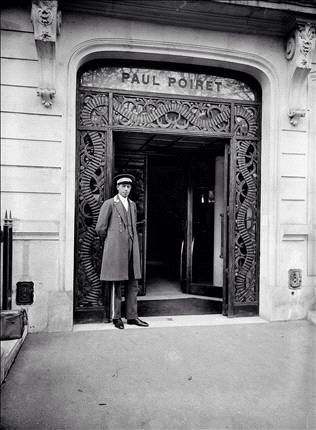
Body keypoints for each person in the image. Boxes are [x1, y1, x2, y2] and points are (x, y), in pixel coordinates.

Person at [95, 173, 149, 329]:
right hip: (116, 249)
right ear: (118, 187)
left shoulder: (132, 205)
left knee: (133, 283)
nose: (126, 189)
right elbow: (100, 228)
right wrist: (111, 243)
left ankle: (132, 316)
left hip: (132, 249)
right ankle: (116, 317)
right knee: (116, 284)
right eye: (123, 186)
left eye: (129, 186)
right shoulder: (110, 204)